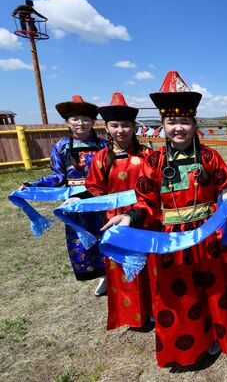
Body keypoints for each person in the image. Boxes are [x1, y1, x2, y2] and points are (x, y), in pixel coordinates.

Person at [101, 71, 227, 367]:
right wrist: (129, 217)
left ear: (194, 124)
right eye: (171, 122)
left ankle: (219, 337)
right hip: (170, 242)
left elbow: (224, 188)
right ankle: (189, 346)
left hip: (208, 237)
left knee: (213, 290)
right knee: (180, 298)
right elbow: (147, 201)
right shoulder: (153, 163)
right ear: (163, 125)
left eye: (184, 122)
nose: (178, 128)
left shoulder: (210, 158)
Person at [67, 92, 155, 330]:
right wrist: (77, 199)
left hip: (145, 220)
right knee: (122, 269)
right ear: (106, 127)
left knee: (150, 268)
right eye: (114, 125)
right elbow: (94, 189)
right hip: (114, 223)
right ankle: (133, 315)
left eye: (126, 125)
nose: (121, 130)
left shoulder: (147, 155)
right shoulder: (100, 158)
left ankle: (153, 310)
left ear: (134, 126)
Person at [23, 95, 108, 295]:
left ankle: (109, 275)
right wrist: (33, 185)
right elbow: (57, 176)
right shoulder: (61, 147)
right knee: (82, 240)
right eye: (75, 119)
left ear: (93, 122)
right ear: (67, 123)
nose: (81, 123)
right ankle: (98, 275)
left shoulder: (104, 146)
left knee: (105, 236)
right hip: (74, 203)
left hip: (100, 200)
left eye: (86, 119)